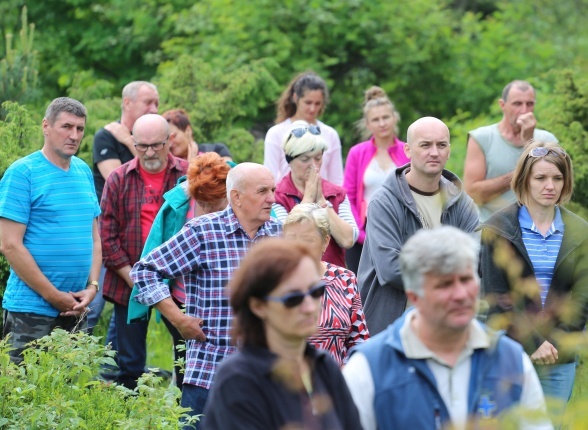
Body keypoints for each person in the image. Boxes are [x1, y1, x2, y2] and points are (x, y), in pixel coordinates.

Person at [344, 227, 552, 430]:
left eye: (466, 279)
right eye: (444, 285)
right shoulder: (370, 368)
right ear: (414, 296)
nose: (460, 294)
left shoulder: (511, 360)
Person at [130, 163, 281, 425]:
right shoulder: (203, 231)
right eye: (263, 191)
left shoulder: (279, 235)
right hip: (210, 375)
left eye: (273, 190)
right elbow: (145, 271)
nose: (272, 198)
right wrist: (178, 320)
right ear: (236, 197)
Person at [480, 141, 588, 423]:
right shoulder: (498, 228)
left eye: (557, 178)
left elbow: (582, 298)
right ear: (524, 180)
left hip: (558, 356)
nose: (549, 185)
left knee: (550, 425)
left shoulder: (580, 231)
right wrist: (533, 342)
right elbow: (496, 295)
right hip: (512, 351)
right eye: (540, 178)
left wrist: (555, 342)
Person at [203, 238, 362, 429]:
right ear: (258, 306)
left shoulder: (324, 366)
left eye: (316, 291)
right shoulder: (238, 379)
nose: (310, 306)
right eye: (293, 299)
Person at [0, 97, 101, 363]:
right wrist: (52, 295)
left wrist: (92, 287)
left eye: (80, 128)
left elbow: (94, 238)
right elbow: (9, 244)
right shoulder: (23, 173)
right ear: (46, 126)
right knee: (25, 394)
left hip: (77, 307)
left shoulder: (83, 171)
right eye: (66, 126)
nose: (74, 135)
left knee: (69, 394)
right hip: (30, 310)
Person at [358, 117, 479, 336]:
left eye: (441, 145)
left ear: (449, 150)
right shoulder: (384, 202)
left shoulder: (462, 203)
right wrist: (448, 278)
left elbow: (475, 261)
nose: (434, 152)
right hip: (392, 330)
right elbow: (390, 269)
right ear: (408, 150)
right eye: (425, 145)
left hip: (448, 326)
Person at [127, 152, 232, 389]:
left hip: (227, 308)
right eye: (202, 204)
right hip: (185, 300)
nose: (207, 211)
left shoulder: (240, 201)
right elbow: (147, 268)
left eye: (215, 205)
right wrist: (178, 318)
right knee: (187, 371)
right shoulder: (182, 206)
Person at [100, 114, 189, 389]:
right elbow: (107, 235)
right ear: (133, 143)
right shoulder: (118, 178)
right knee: (128, 363)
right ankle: (129, 415)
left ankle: (184, 416)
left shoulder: (188, 175)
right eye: (142, 146)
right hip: (128, 281)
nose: (149, 152)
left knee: (188, 358)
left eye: (156, 145)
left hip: (179, 282)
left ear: (169, 141)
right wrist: (136, 278)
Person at [88, 80, 159, 334]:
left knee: (127, 300)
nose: (154, 108)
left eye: (156, 103)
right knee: (94, 304)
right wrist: (130, 143)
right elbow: (116, 180)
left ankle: (113, 366)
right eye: (147, 102)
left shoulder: (140, 139)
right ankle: (72, 362)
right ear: (127, 103)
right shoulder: (106, 136)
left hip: (140, 232)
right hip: (108, 231)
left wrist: (131, 143)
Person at [283, 203, 369, 366]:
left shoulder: (345, 279)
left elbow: (360, 341)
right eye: (291, 238)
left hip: (336, 382)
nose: (298, 247)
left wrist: (347, 372)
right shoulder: (273, 280)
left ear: (325, 242)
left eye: (307, 240)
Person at [464, 80, 558, 222]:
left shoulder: (548, 139)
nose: (524, 110)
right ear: (502, 105)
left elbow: (555, 189)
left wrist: (529, 143)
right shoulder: (482, 137)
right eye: (517, 104)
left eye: (530, 104)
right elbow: (473, 194)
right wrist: (522, 172)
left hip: (536, 229)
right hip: (492, 229)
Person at [273, 120, 358, 268]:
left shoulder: (337, 194)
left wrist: (321, 201)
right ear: (290, 160)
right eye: (305, 159)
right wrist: (308, 198)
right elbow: (287, 239)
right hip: (293, 274)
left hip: (331, 279)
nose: (313, 164)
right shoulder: (277, 197)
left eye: (318, 158)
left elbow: (348, 239)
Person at [343, 86, 410, 274]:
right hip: (364, 235)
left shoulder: (408, 151)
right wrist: (360, 234)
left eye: (386, 117)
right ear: (368, 124)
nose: (382, 123)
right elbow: (348, 195)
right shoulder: (357, 153)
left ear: (395, 117)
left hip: (401, 232)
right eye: (375, 119)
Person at [264, 71, 344, 185]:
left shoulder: (330, 134)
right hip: (286, 200)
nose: (312, 108)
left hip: (322, 199)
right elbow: (270, 176)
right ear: (295, 97)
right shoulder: (276, 133)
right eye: (308, 102)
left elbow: (336, 180)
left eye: (317, 103)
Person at [162, 109, 232, 162]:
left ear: (188, 130)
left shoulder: (216, 150)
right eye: (167, 139)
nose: (170, 143)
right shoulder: (168, 166)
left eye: (174, 136)